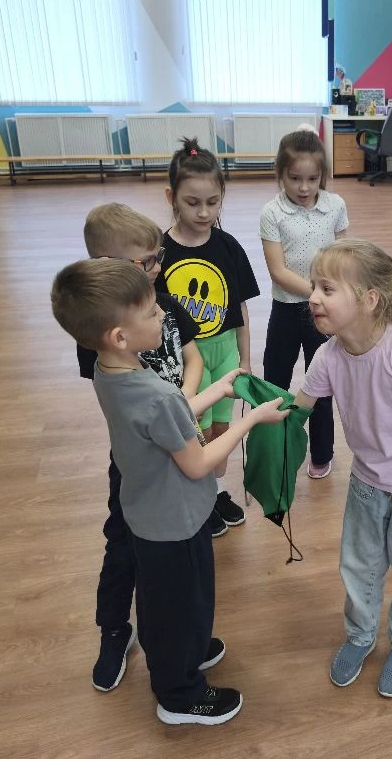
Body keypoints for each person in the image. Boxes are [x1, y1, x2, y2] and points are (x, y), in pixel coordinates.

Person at [52, 259, 288, 725]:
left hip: (152, 514)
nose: (164, 313)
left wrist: (218, 390)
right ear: (120, 335)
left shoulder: (111, 370)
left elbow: (170, 418)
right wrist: (251, 420)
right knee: (179, 607)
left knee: (174, 598)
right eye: (151, 311)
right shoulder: (155, 395)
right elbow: (197, 461)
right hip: (174, 524)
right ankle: (179, 695)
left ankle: (188, 648)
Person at [293, 240, 392, 698]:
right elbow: (296, 409)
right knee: (359, 568)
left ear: (369, 299)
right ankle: (361, 635)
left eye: (327, 288)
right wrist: (247, 404)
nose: (313, 297)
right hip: (367, 483)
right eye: (314, 286)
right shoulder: (330, 354)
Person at [78, 203, 204, 692]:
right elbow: (123, 400)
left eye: (158, 257)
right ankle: (114, 629)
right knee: (124, 543)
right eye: (145, 261)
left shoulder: (164, 303)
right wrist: (175, 410)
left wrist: (183, 403)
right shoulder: (99, 327)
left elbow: (191, 358)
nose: (156, 268)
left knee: (177, 549)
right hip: (138, 459)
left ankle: (180, 639)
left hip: (180, 437)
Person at [155, 139, 260, 534]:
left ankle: (214, 492)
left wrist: (245, 359)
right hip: (188, 360)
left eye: (213, 202)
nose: (203, 212)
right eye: (192, 202)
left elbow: (241, 310)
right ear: (172, 197)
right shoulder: (159, 252)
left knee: (220, 430)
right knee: (193, 432)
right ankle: (197, 497)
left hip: (226, 353)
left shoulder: (229, 247)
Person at [260, 129, 349, 479]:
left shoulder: (335, 205)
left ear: (322, 175)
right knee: (275, 382)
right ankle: (275, 449)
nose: (303, 187)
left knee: (321, 384)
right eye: (295, 178)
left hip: (323, 315)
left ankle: (322, 453)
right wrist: (319, 291)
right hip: (285, 310)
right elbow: (278, 271)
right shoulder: (272, 212)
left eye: (312, 179)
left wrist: (331, 296)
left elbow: (343, 257)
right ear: (280, 174)